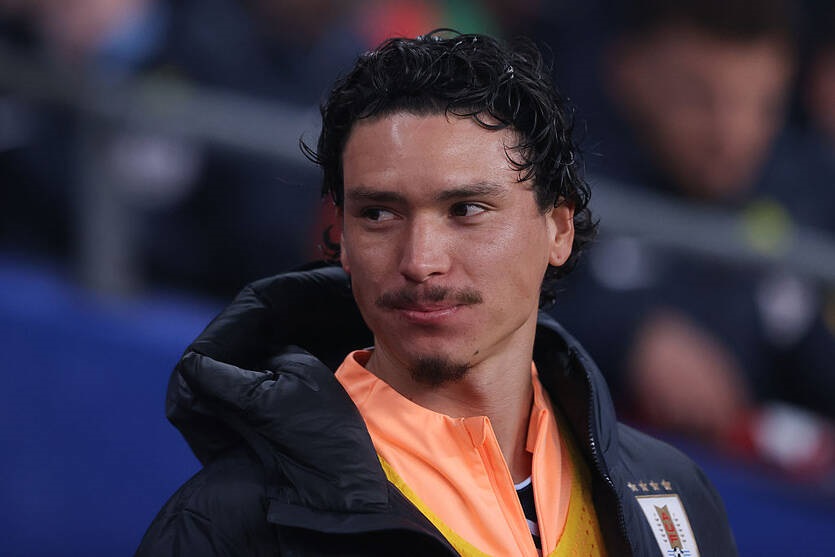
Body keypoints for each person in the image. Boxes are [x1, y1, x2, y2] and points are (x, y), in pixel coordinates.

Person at [136, 31, 737, 556]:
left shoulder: (670, 493)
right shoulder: (229, 525)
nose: (421, 262)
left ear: (559, 229)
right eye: (378, 214)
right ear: (342, 241)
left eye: (466, 209)